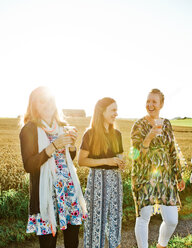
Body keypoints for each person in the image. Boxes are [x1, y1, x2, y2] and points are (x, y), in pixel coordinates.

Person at [19, 86, 86, 248]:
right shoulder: (29, 130)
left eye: (50, 101)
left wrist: (71, 146)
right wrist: (52, 146)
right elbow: (29, 165)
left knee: (72, 241)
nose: (47, 105)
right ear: (34, 105)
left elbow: (67, 159)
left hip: (69, 191)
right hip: (47, 195)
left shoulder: (63, 126)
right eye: (42, 102)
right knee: (48, 243)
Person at [131, 89, 186, 248]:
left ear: (161, 104)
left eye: (154, 102)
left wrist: (178, 176)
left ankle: (161, 245)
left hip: (166, 178)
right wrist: (149, 136)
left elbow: (172, 151)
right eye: (148, 101)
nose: (150, 105)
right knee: (143, 217)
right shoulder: (138, 125)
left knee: (171, 220)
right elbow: (135, 154)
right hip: (144, 176)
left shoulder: (166, 123)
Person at [78, 97, 126, 248]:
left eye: (116, 110)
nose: (116, 113)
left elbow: (119, 157)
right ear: (102, 112)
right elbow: (81, 161)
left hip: (116, 180)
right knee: (95, 222)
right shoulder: (90, 134)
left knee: (115, 218)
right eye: (113, 110)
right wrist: (107, 161)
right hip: (97, 181)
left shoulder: (117, 134)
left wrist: (121, 163)